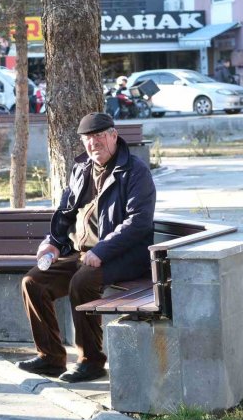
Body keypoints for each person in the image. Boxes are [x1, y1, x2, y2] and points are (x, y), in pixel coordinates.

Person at [16, 112, 156, 383]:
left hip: (124, 256)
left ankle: (91, 361)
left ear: (114, 135)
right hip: (83, 253)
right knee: (33, 282)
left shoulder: (135, 171)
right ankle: (50, 357)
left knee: (82, 282)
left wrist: (101, 251)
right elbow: (66, 212)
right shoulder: (81, 169)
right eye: (88, 138)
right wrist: (53, 243)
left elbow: (139, 222)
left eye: (100, 136)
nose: (94, 143)